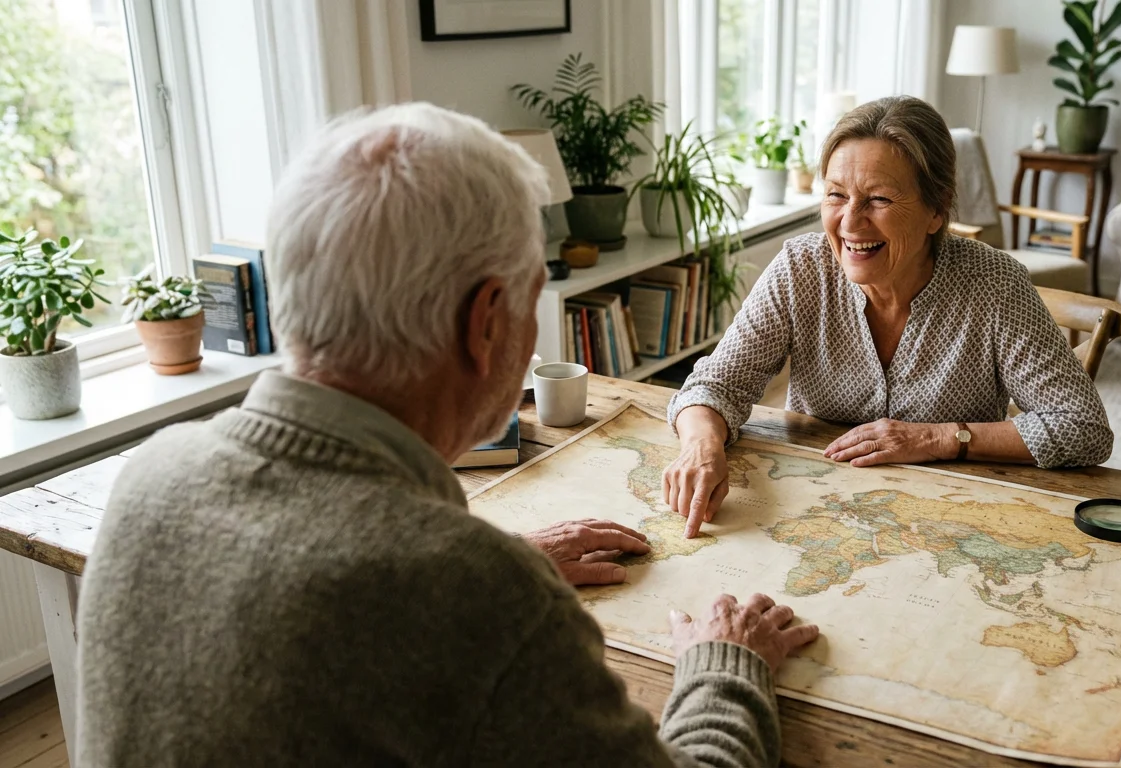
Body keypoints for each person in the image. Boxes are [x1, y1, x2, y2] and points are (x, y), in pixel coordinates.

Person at [75, 103, 818, 767]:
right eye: (532, 302)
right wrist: (725, 665)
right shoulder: (470, 593)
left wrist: (485, 577)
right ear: (486, 322)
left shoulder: (152, 474)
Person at [663, 96, 1113, 538]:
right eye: (836, 195)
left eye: (878, 199)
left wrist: (936, 439)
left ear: (936, 210)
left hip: (951, 522)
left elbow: (1083, 427)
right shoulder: (800, 268)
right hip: (815, 516)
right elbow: (712, 387)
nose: (850, 222)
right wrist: (702, 447)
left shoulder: (996, 283)